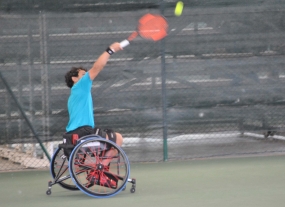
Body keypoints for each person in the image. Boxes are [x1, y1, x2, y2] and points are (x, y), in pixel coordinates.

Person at [63, 42, 123, 188]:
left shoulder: (74, 96)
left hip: (71, 135)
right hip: (84, 132)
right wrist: (110, 50)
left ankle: (96, 169)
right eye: (83, 74)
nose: (87, 76)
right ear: (75, 79)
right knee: (119, 138)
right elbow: (97, 67)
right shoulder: (80, 86)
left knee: (106, 138)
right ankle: (99, 171)